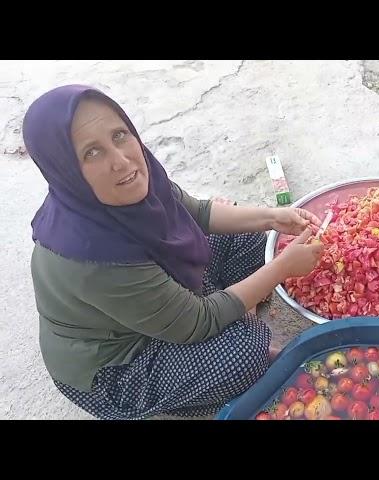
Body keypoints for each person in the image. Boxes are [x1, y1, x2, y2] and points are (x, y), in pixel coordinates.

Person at [23, 85, 324, 419]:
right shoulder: (90, 255)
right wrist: (282, 268)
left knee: (251, 240)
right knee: (244, 353)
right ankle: (189, 393)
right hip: (120, 360)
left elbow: (195, 212)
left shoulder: (138, 178)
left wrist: (273, 217)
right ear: (64, 169)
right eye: (92, 153)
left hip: (151, 294)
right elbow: (197, 321)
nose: (121, 161)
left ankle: (233, 304)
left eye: (120, 135)